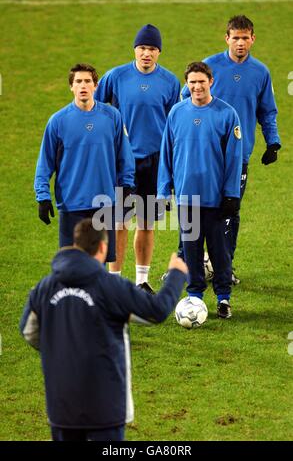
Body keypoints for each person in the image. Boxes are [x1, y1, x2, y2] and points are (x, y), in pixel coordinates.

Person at [20, 218, 187, 441]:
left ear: (75, 244)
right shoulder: (111, 287)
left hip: (62, 405)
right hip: (105, 407)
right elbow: (155, 310)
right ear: (102, 247)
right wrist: (176, 275)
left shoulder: (45, 287)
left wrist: (60, 346)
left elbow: (28, 332)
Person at [181, 15, 281, 284]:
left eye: (245, 37)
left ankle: (224, 269)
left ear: (252, 39)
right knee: (192, 210)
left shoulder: (260, 72)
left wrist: (273, 142)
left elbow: (267, 111)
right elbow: (185, 97)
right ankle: (187, 265)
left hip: (237, 158)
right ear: (226, 38)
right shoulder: (210, 66)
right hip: (203, 155)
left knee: (229, 212)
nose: (240, 43)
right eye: (235, 37)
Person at [95, 24, 181, 291]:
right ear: (135, 49)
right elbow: (95, 107)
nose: (147, 53)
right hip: (122, 162)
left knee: (146, 224)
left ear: (159, 53)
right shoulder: (116, 76)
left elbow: (174, 124)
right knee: (119, 223)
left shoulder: (170, 81)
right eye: (143, 48)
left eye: (152, 49)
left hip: (154, 162)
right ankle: (114, 281)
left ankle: (142, 280)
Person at [158, 62, 243, 319]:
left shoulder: (227, 114)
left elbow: (234, 157)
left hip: (216, 198)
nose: (196, 86)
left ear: (211, 82)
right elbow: (166, 155)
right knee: (191, 250)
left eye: (201, 81)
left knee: (220, 251)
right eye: (192, 82)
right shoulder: (176, 113)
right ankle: (195, 295)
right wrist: (163, 192)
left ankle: (223, 298)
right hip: (187, 197)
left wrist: (231, 193)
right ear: (187, 84)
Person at [34, 63, 135, 263]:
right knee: (71, 263)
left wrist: (126, 187)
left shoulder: (112, 117)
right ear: (71, 86)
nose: (83, 85)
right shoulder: (58, 121)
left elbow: (125, 156)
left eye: (87, 81)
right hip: (72, 204)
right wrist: (42, 196)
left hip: (104, 202)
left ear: (95, 86)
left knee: (100, 264)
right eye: (78, 81)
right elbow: (44, 163)